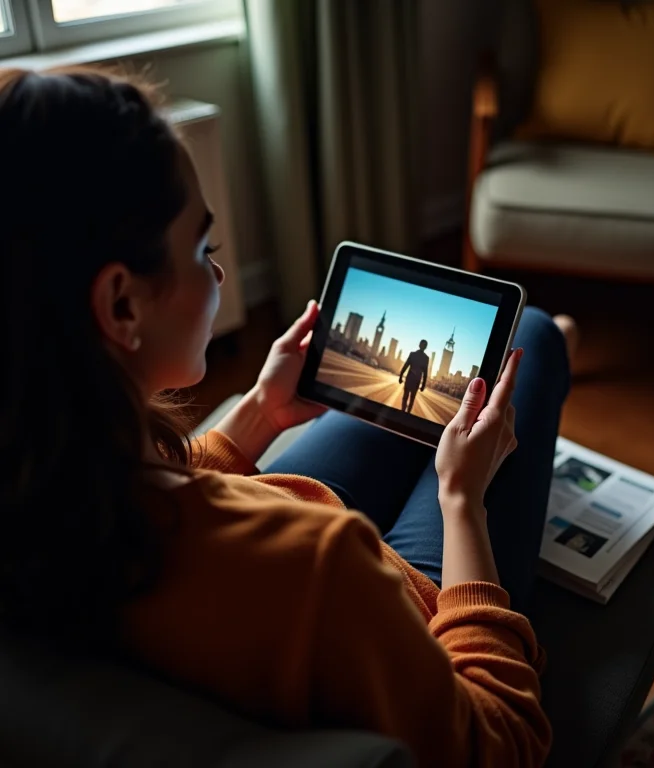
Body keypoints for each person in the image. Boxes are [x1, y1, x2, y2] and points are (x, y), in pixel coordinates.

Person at [0, 66, 577, 768]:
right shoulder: (320, 563)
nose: (217, 275)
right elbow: (500, 745)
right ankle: (551, 349)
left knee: (394, 402)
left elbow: (144, 495)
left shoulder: (42, 483)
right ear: (122, 305)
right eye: (201, 249)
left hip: (246, 548)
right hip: (375, 604)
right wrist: (462, 503)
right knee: (534, 337)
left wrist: (257, 421)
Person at [399, 339, 429, 413]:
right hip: (416, 380)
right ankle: (407, 413)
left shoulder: (413, 354)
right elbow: (425, 373)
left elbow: (406, 366)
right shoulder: (425, 358)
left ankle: (403, 411)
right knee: (411, 398)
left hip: (411, 379)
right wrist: (423, 385)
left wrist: (401, 376)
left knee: (406, 397)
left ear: (419, 345)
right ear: (425, 347)